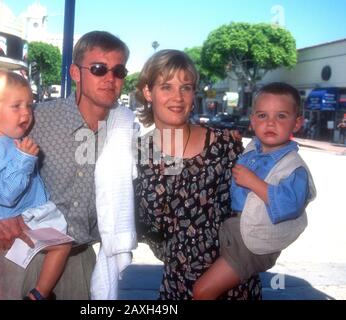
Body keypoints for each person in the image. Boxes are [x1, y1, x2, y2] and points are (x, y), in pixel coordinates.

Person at [0, 31, 138, 300]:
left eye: (119, 71)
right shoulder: (38, 119)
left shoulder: (126, 131)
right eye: (98, 69)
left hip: (82, 260)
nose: (110, 78)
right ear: (75, 72)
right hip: (26, 256)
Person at [134, 49, 261, 300]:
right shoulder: (134, 155)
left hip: (233, 284)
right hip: (177, 287)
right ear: (148, 92)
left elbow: (262, 212)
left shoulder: (225, 145)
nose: (178, 97)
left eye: (186, 87)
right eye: (166, 87)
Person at [192, 82, 317, 299]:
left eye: (281, 116)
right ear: (252, 121)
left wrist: (253, 182)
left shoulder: (293, 167)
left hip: (252, 244)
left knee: (202, 291)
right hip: (235, 231)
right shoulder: (253, 148)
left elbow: (291, 205)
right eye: (262, 116)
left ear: (297, 123)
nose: (270, 123)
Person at [0, 70, 71, 300]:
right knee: (61, 246)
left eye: (29, 105)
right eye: (17, 106)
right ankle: (39, 293)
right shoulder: (1, 147)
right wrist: (24, 160)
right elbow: (6, 193)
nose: (27, 113)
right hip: (18, 215)